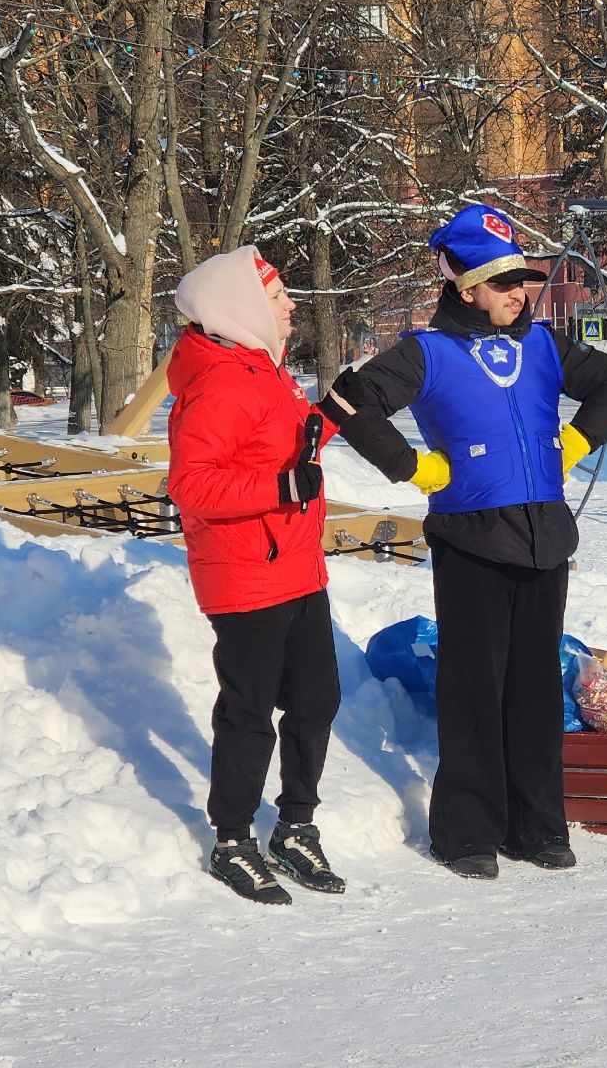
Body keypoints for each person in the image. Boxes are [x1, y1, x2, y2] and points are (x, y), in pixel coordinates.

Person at [318, 204, 607, 880]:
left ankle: (537, 825)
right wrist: (413, 467)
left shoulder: (545, 345)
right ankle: (467, 831)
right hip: (471, 541)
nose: (519, 293)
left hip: (544, 539)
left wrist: (578, 439)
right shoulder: (427, 351)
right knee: (473, 687)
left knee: (534, 687)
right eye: (503, 284)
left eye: (522, 280)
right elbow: (347, 402)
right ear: (465, 288)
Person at [166, 246, 346, 905]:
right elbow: (192, 486)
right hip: (246, 576)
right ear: (242, 310)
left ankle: (296, 826)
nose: (290, 304)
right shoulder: (218, 383)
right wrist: (281, 484)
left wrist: (330, 416)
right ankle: (233, 839)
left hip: (296, 566)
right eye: (277, 297)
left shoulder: (260, 371)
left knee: (318, 698)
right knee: (249, 713)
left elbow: (286, 449)